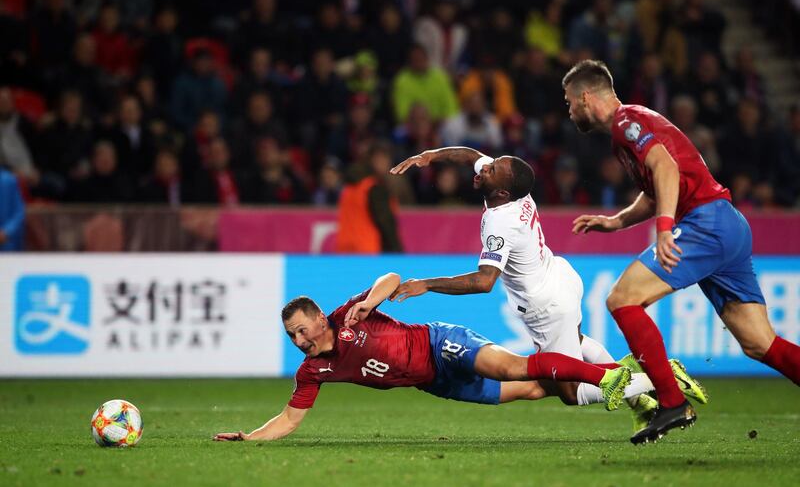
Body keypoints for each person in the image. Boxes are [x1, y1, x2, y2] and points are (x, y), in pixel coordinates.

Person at [561, 59, 800, 444]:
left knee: (622, 299)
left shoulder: (626, 122)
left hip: (705, 223)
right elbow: (657, 183)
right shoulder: (629, 126)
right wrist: (617, 221)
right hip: (727, 225)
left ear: (586, 97)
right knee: (760, 343)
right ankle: (672, 401)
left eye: (569, 101)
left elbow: (666, 168)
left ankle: (672, 402)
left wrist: (665, 228)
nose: (568, 109)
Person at [388, 146, 706, 433]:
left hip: (547, 305)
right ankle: (640, 404)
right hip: (560, 276)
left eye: (491, 170)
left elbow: (484, 282)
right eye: (490, 165)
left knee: (570, 392)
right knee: (577, 345)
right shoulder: (513, 190)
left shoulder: (501, 222)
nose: (482, 168)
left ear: (500, 191)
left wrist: (426, 284)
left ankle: (661, 378)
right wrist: (430, 156)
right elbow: (471, 156)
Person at [214, 272, 654, 442]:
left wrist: (370, 302)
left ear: (318, 319)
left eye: (302, 329)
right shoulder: (312, 370)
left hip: (440, 343)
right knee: (538, 388)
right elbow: (290, 419)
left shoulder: (350, 314)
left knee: (511, 366)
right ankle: (587, 351)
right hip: (434, 381)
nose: (299, 339)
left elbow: (390, 278)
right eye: (292, 335)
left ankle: (641, 378)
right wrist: (250, 438)